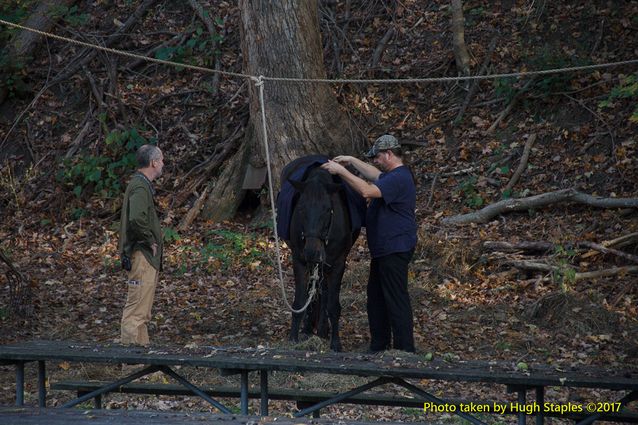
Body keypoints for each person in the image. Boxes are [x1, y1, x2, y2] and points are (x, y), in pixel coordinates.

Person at [321, 134, 417, 352]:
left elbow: (367, 189)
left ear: (389, 154)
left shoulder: (399, 178)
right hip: (384, 250)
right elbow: (375, 175)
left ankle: (404, 351)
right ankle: (379, 346)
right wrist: (352, 161)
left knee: (395, 298)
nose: (375, 161)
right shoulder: (392, 175)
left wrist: (342, 172)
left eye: (378, 157)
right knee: (376, 298)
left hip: (395, 248)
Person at [118, 144, 164, 346]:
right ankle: (131, 366)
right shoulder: (139, 186)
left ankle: (141, 364)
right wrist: (150, 240)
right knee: (136, 312)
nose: (163, 164)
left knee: (142, 312)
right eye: (161, 160)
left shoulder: (141, 185)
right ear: (153, 163)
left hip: (144, 256)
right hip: (142, 256)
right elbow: (136, 219)